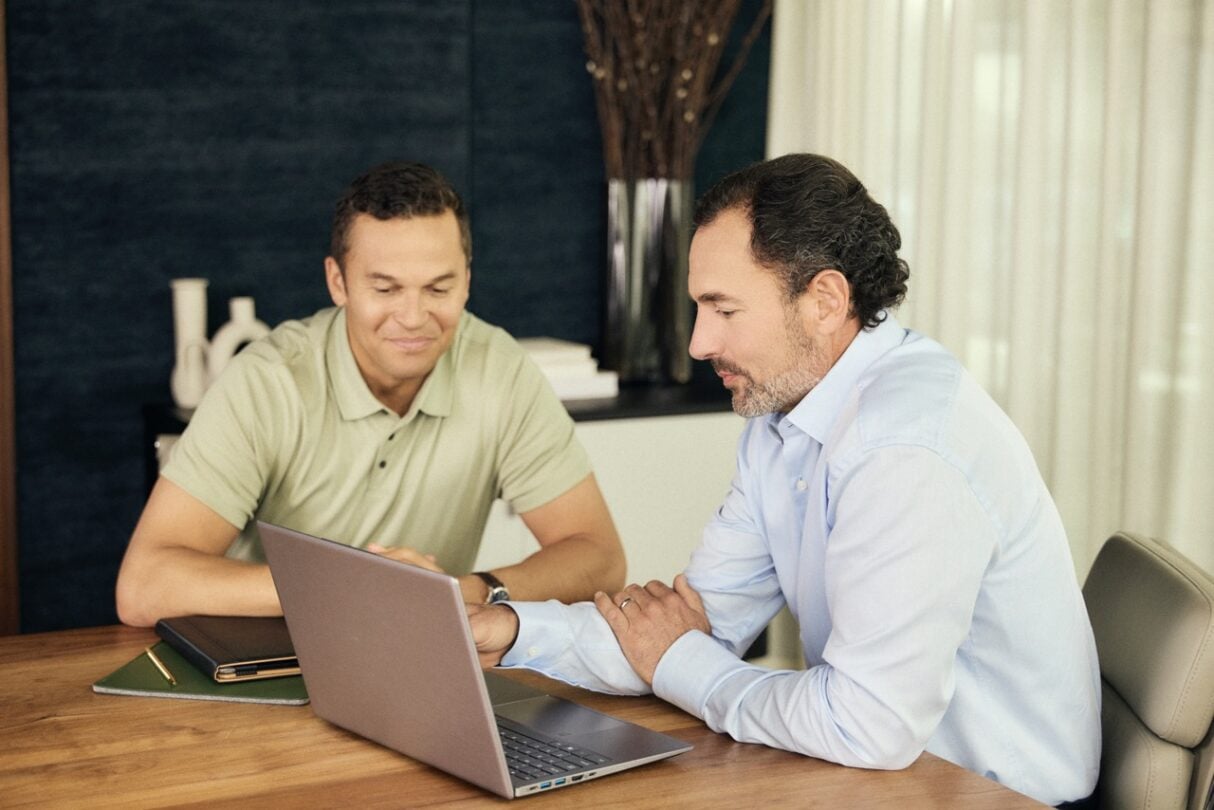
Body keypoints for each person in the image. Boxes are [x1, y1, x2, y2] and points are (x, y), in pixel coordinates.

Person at [470, 154, 1101, 806]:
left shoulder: (905, 448)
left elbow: (865, 723)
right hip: (885, 780)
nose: (698, 343)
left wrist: (684, 662)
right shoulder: (783, 419)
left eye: (723, 310)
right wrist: (510, 629)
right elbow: (693, 623)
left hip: (998, 796)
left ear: (825, 301)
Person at [116, 161, 625, 627]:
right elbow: (143, 586)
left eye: (438, 288)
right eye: (385, 289)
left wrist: (465, 591)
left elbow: (599, 557)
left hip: (416, 645)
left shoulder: (501, 370)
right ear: (337, 282)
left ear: (467, 282)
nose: (413, 317)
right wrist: (351, 586)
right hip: (264, 652)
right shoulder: (268, 381)